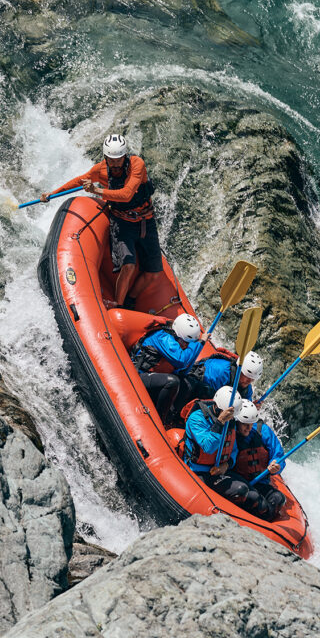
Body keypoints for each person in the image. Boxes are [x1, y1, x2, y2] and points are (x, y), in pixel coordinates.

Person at [39, 134, 162, 306]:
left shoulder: (137, 165)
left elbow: (126, 195)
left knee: (153, 273)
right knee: (128, 266)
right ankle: (119, 305)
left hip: (146, 222)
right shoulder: (101, 170)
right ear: (105, 157)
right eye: (111, 159)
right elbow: (78, 181)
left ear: (125, 156)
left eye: (118, 159)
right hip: (122, 223)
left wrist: (97, 191)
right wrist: (52, 194)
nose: (115, 163)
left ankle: (130, 299)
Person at [182, 386, 273, 517]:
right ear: (219, 408)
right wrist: (220, 422)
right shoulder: (197, 419)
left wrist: (227, 465)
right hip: (199, 471)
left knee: (257, 500)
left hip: (221, 470)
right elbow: (208, 447)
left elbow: (233, 450)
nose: (232, 418)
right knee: (241, 490)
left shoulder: (230, 421)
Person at [131, 313, 209, 423]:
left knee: (189, 383)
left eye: (188, 344)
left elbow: (183, 369)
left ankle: (172, 419)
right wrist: (200, 343)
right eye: (185, 343)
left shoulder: (174, 339)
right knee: (172, 382)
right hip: (139, 375)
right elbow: (181, 360)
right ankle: (159, 421)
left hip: (155, 378)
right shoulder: (162, 337)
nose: (186, 346)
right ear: (177, 335)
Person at [234, 399, 286, 521]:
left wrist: (276, 466)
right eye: (245, 424)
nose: (248, 428)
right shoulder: (230, 433)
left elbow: (278, 455)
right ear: (237, 422)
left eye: (251, 423)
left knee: (279, 499)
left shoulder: (263, 431)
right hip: (239, 482)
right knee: (254, 498)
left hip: (260, 482)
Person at [197, 350, 263, 402]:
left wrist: (249, 409)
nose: (249, 381)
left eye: (252, 379)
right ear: (239, 370)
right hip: (200, 384)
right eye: (247, 377)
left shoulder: (247, 390)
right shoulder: (220, 373)